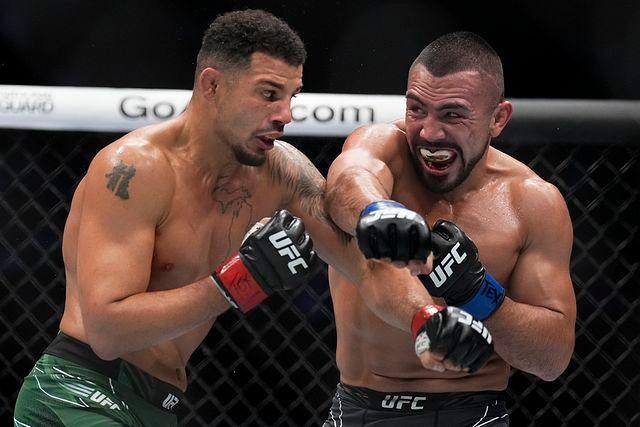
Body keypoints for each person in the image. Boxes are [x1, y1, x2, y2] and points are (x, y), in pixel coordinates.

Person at [12, 11, 493, 426]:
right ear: (212, 85)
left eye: (292, 96)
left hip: (158, 403)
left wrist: (424, 318)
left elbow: (362, 264)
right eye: (268, 94)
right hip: (78, 390)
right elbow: (107, 332)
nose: (286, 115)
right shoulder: (134, 170)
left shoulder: (280, 173)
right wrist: (236, 282)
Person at [324, 31, 576, 426]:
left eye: (452, 115)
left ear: (498, 119)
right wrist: (378, 212)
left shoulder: (531, 202)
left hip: (473, 413)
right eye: (417, 109)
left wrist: (476, 292)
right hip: (360, 409)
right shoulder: (383, 148)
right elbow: (346, 182)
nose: (429, 133)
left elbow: (552, 359)